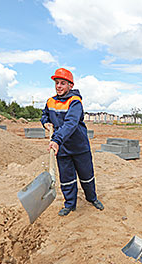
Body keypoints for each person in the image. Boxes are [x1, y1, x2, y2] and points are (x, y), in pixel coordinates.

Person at [41, 68, 104, 216]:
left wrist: (56, 140)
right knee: (66, 179)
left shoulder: (75, 102)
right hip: (62, 149)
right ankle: (70, 204)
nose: (59, 86)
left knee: (86, 176)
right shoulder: (50, 101)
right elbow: (44, 115)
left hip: (79, 146)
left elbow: (71, 123)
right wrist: (45, 122)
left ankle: (92, 198)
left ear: (70, 85)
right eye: (57, 83)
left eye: (63, 83)